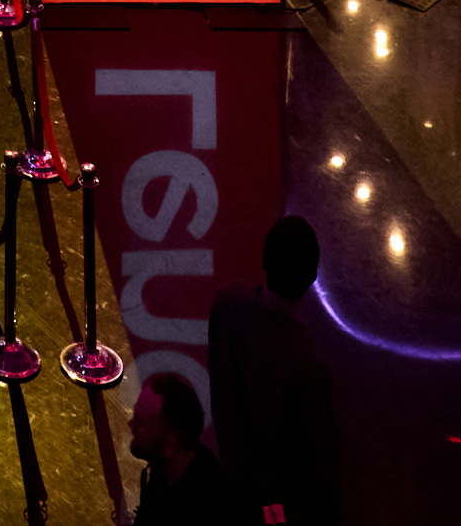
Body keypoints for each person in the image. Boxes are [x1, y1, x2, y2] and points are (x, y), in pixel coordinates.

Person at [210, 215, 342, 526]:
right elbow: (318, 470)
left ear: (266, 260)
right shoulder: (306, 369)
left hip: (231, 488)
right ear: (311, 278)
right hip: (273, 510)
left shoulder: (227, 303)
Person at [127, 368, 224, 526]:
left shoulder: (204, 508)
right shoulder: (164, 466)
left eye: (141, 423)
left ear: (170, 444)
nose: (131, 424)